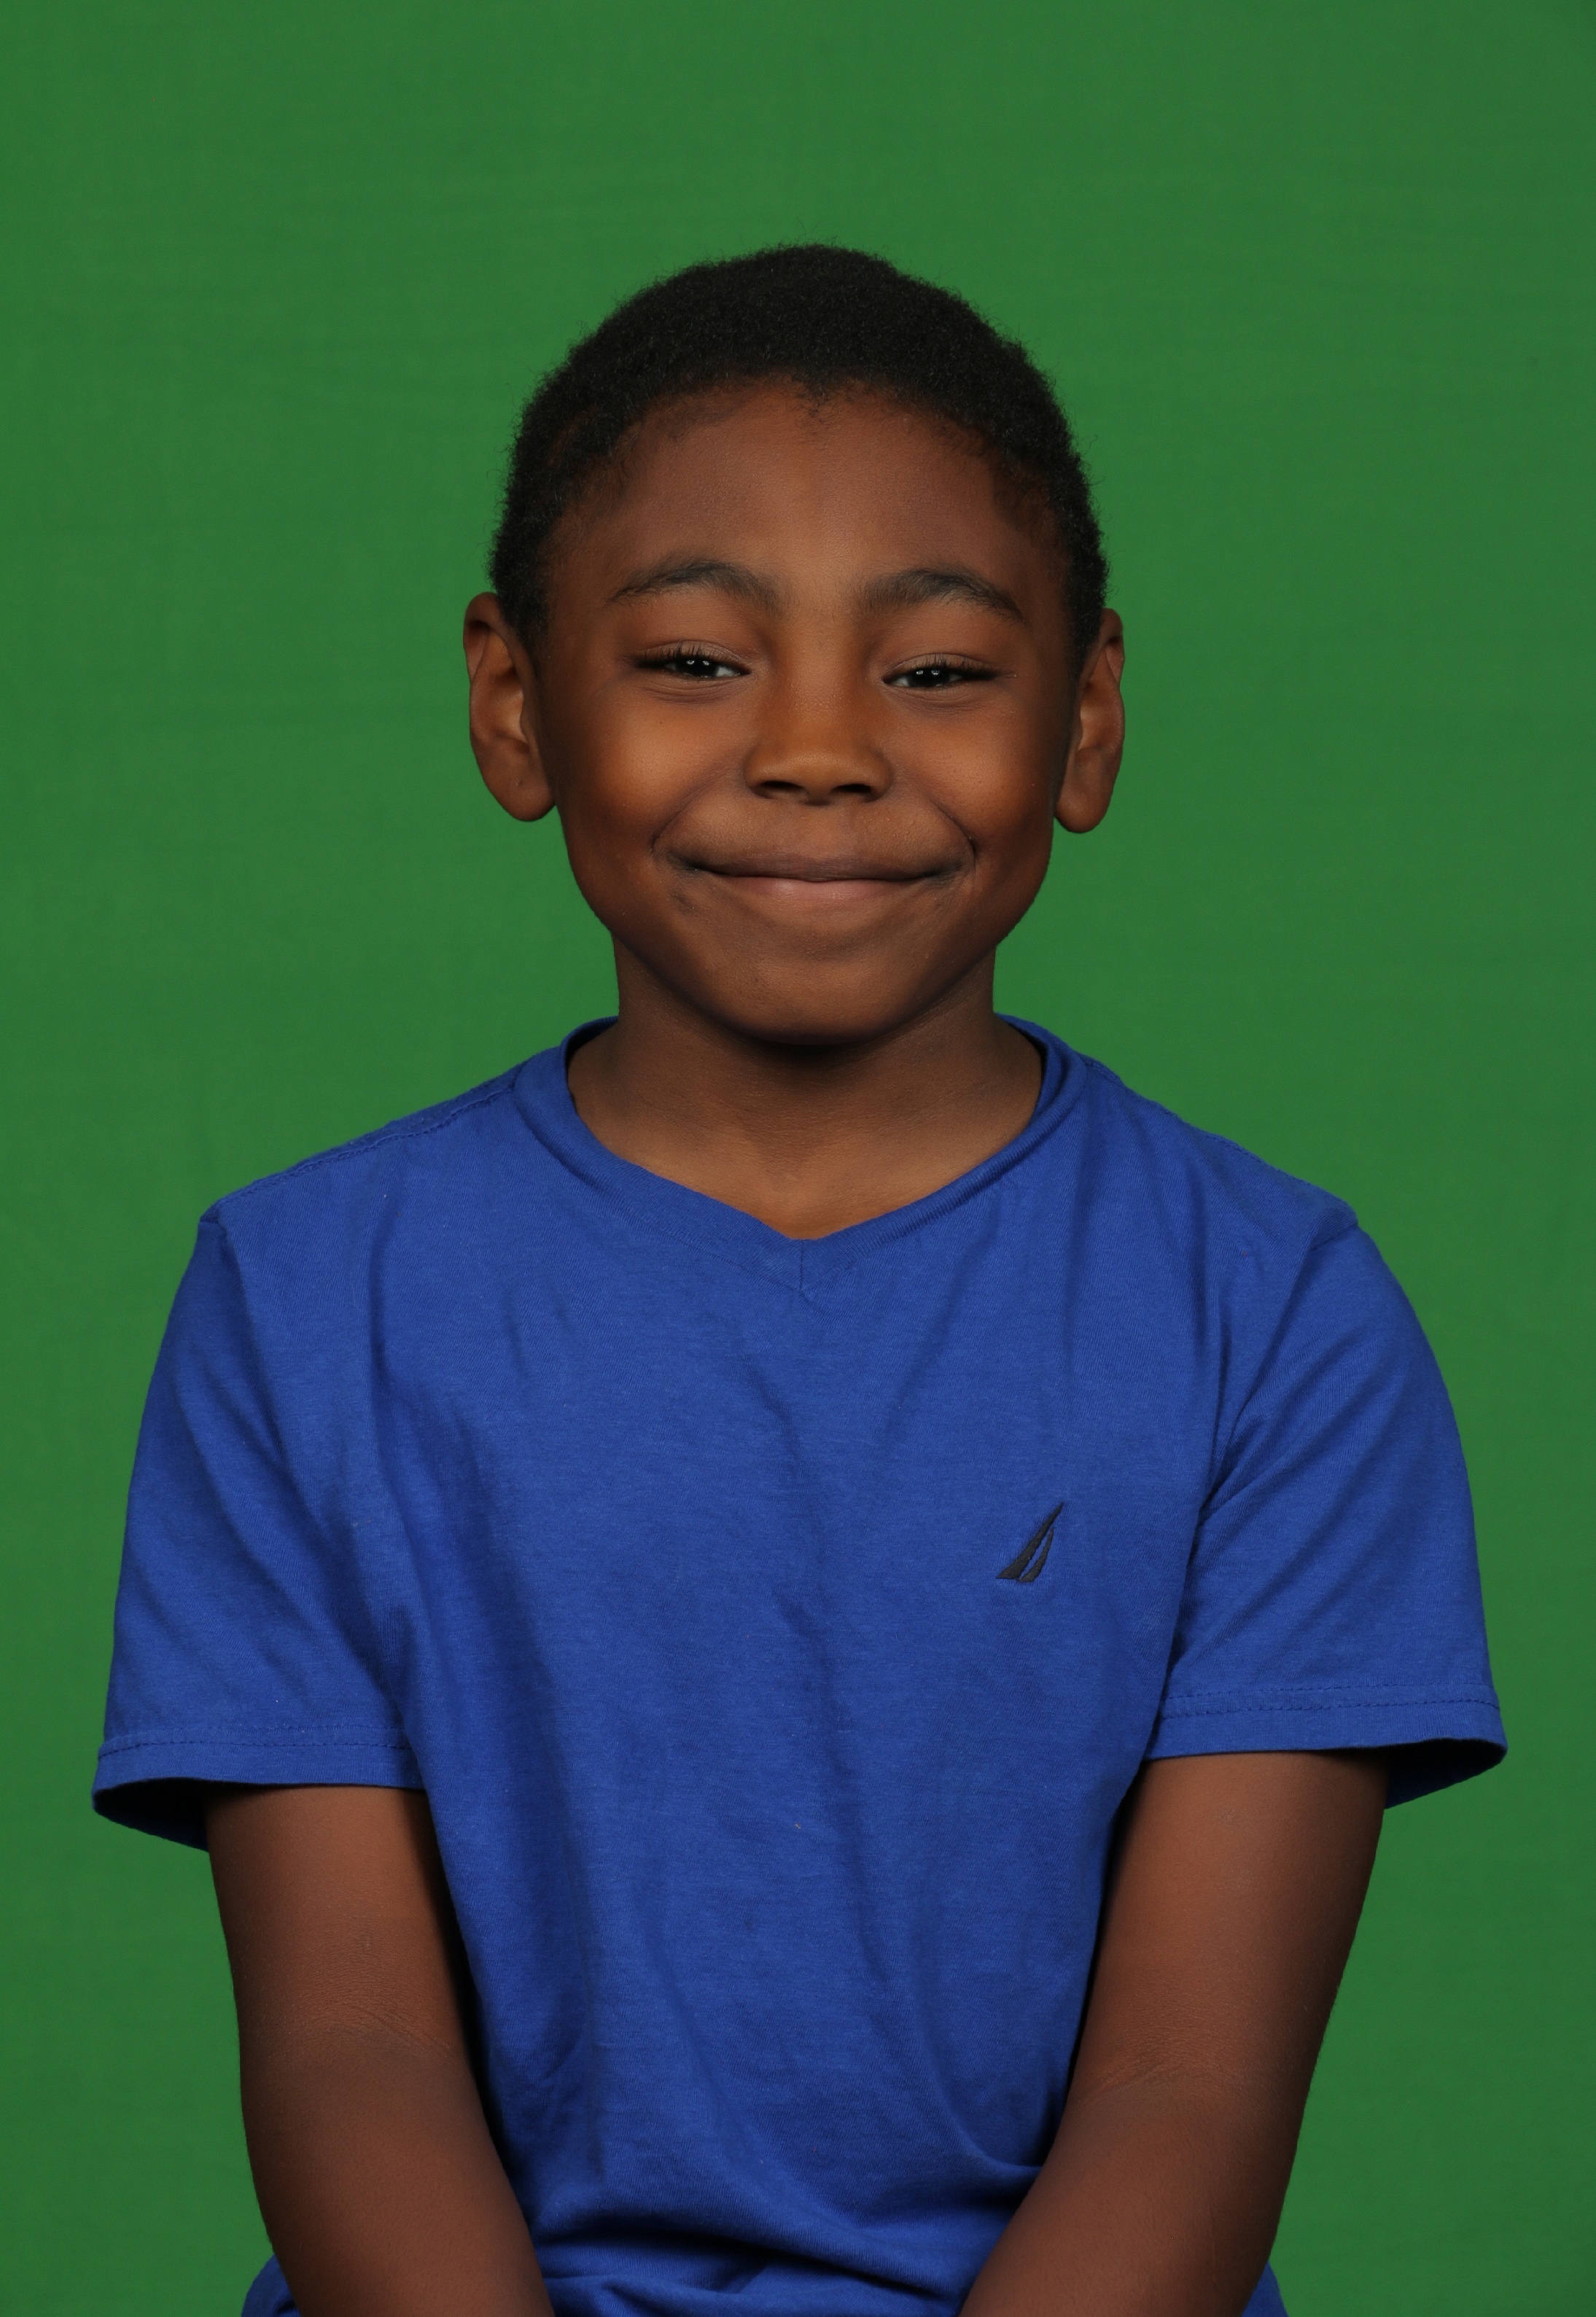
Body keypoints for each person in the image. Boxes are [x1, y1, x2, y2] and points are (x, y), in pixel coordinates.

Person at [94, 245, 1503, 2317]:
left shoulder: (1274, 1316)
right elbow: (349, 2053)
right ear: (514, 700)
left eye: (935, 670)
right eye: (695, 658)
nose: (821, 749)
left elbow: (1188, 2099)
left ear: (1089, 717)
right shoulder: (304, 1301)